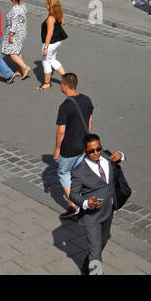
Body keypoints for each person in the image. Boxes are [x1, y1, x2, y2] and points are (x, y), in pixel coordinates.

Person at [69, 134, 126, 275]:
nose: (96, 153)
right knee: (95, 251)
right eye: (91, 151)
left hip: (108, 210)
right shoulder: (79, 171)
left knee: (104, 239)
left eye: (98, 149)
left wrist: (121, 155)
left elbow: (119, 158)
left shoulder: (106, 157)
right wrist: (86, 203)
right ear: (85, 151)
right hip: (91, 217)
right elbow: (73, 195)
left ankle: (86, 265)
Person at [54, 73, 94, 217]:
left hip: (69, 147)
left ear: (65, 86)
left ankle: (74, 205)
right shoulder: (86, 100)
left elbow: (61, 130)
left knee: (63, 173)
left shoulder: (65, 106)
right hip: (84, 145)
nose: (60, 85)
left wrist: (57, 149)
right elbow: (89, 122)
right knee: (77, 173)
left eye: (61, 83)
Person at [38, 0, 68, 90]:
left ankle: (47, 83)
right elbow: (63, 23)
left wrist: (46, 47)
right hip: (57, 42)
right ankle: (65, 77)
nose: (46, 5)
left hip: (50, 44)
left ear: (50, 6)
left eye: (47, 4)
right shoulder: (58, 14)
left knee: (46, 61)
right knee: (53, 60)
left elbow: (49, 33)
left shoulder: (51, 18)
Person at [2, 0, 30, 78]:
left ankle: (25, 67)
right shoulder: (23, 5)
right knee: (17, 51)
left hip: (15, 33)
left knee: (12, 53)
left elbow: (14, 24)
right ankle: (18, 70)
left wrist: (10, 35)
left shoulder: (15, 9)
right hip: (22, 31)